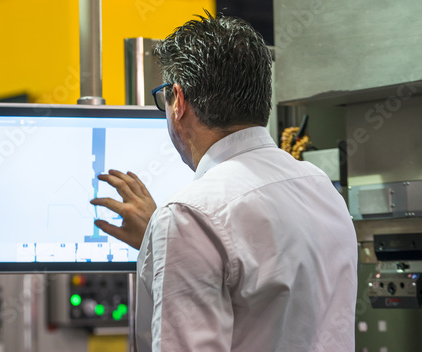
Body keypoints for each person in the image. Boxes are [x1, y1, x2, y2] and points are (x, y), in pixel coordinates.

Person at [90, 11, 358, 352]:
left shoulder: (188, 216)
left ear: (179, 101)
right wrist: (158, 241)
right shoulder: (320, 187)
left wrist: (170, 230)